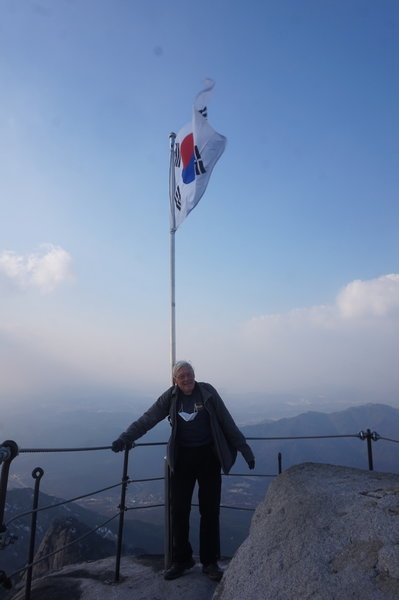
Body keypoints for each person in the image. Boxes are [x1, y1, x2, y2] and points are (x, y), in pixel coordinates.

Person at [111, 361, 255, 582]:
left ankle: (209, 562)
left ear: (194, 375)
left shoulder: (207, 392)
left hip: (209, 457)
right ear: (174, 380)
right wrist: (125, 438)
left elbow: (226, 421)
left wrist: (244, 449)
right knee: (179, 511)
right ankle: (182, 559)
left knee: (209, 511)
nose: (187, 379)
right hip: (183, 459)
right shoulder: (170, 398)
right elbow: (147, 419)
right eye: (181, 376)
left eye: (189, 374)